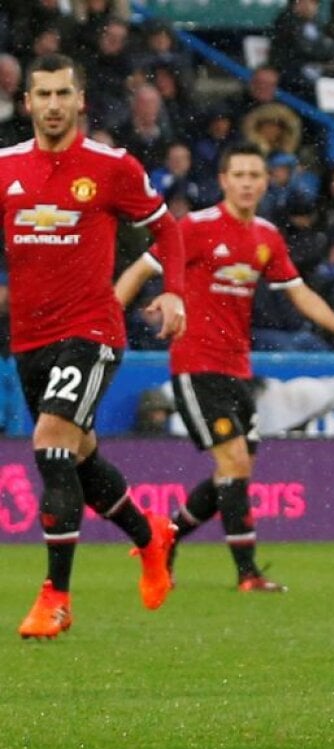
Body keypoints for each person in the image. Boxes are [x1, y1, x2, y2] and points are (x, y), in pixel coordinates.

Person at [115, 141, 334, 592]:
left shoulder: (266, 236)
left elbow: (298, 291)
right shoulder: (195, 227)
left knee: (237, 468)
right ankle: (247, 573)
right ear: (224, 181)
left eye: (256, 175)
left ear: (265, 182)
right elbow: (141, 268)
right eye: (240, 175)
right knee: (232, 462)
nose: (248, 183)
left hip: (237, 370)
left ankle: (165, 536)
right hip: (195, 364)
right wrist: (108, 319)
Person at [2, 53, 186, 639]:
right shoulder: (4, 168)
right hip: (29, 339)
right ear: (26, 102)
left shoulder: (112, 167)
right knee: (76, 458)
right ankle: (149, 534)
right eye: (43, 94)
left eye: (63, 94)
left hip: (92, 330)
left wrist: (176, 293)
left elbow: (168, 229)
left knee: (50, 441)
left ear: (80, 100)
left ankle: (55, 596)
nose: (53, 105)